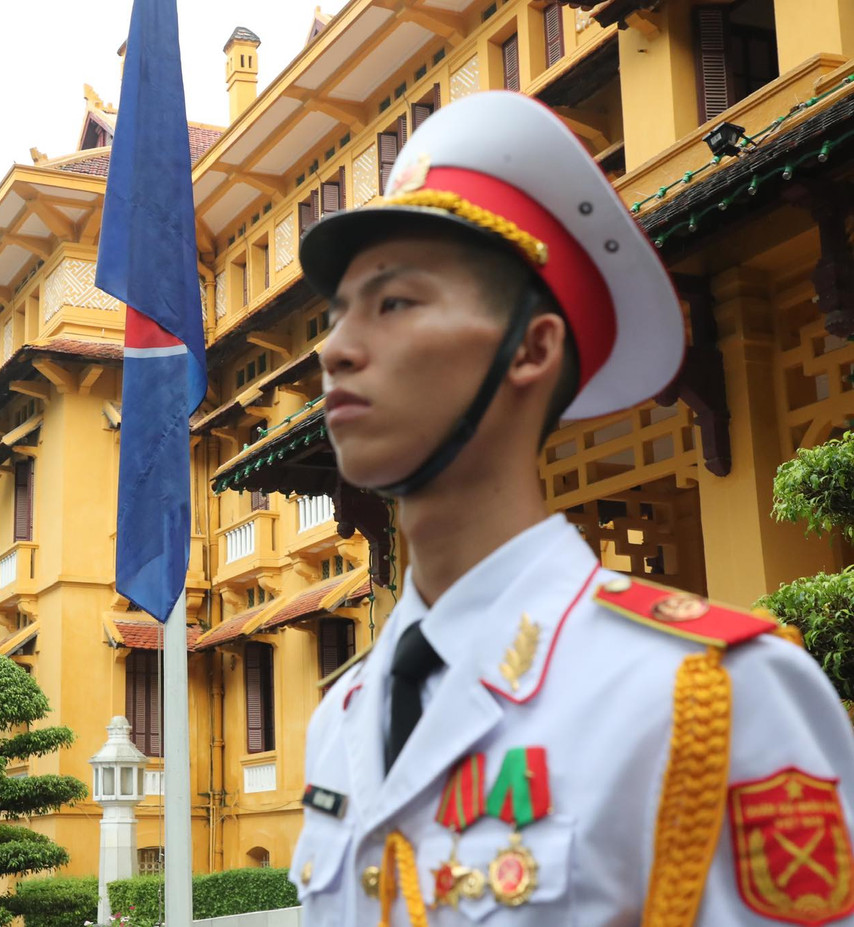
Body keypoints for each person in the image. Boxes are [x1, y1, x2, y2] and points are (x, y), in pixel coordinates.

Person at [289, 89, 854, 926]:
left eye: (394, 303)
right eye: (336, 316)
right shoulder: (342, 715)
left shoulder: (708, 691)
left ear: (532, 347)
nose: (334, 348)